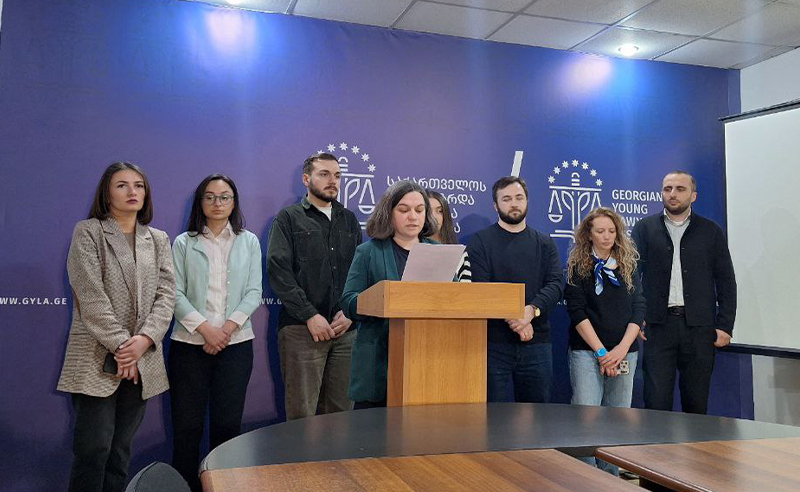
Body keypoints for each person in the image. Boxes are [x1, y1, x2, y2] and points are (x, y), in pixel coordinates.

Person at [58, 162, 175, 492]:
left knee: (121, 453)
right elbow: (89, 294)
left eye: (138, 185)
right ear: (106, 193)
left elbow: (167, 294)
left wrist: (144, 340)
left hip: (143, 358)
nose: (132, 191)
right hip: (96, 356)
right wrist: (125, 347)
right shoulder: (89, 231)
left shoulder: (158, 239)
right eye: (122, 185)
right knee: (93, 450)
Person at [169, 174, 262, 491]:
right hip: (188, 345)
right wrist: (206, 329)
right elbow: (174, 293)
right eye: (209, 197)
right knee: (186, 429)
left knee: (227, 428)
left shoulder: (249, 242)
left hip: (236, 346)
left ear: (234, 203)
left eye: (224, 197)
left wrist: (227, 329)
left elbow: (254, 291)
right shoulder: (184, 242)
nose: (217, 203)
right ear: (200, 202)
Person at [632, 171, 737, 415]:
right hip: (658, 326)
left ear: (693, 195)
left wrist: (725, 325)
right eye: (667, 189)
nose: (672, 194)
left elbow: (726, 280)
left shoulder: (711, 231)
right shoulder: (645, 228)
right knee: (656, 402)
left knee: (696, 403)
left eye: (680, 189)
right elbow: (632, 277)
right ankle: (657, 443)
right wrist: (637, 317)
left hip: (699, 329)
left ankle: (695, 443)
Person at [267, 153, 362, 420]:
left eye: (337, 175)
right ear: (306, 179)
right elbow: (279, 271)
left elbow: (360, 273)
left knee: (342, 417)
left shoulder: (349, 220)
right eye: (324, 174)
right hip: (302, 330)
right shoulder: (288, 218)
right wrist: (310, 315)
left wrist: (350, 313)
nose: (333, 181)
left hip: (345, 332)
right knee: (302, 416)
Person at [340, 180, 438, 408]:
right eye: (404, 210)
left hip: (426, 360)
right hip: (378, 361)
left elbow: (455, 298)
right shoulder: (368, 252)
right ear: (389, 213)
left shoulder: (438, 252)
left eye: (419, 210)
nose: (413, 217)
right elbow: (348, 301)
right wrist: (381, 301)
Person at [467, 176, 563, 403]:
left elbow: (556, 284)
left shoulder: (544, 242)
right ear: (495, 205)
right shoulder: (480, 242)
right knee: (492, 415)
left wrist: (530, 312)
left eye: (519, 198)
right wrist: (518, 320)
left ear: (527, 200)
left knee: (535, 415)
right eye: (506, 199)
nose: (514, 204)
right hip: (493, 344)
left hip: (537, 343)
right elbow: (481, 288)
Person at [565, 207, 645, 474]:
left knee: (618, 419)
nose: (607, 236)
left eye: (612, 231)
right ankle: (586, 477)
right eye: (600, 231)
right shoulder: (578, 268)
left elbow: (638, 309)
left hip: (624, 353)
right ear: (589, 234)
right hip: (587, 353)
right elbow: (577, 312)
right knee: (586, 417)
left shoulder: (628, 265)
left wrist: (621, 350)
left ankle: (610, 476)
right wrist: (601, 353)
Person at [426, 189, 471, 282]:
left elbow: (466, 287)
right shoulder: (410, 249)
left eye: (440, 211)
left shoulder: (459, 253)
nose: (434, 216)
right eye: (428, 211)